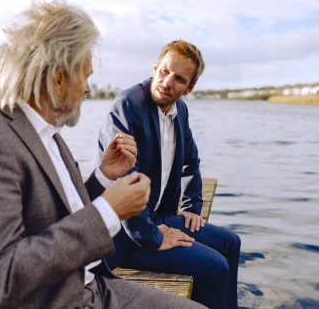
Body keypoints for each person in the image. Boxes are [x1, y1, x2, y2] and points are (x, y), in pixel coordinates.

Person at [0, 0, 203, 309]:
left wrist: (103, 177)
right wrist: (109, 211)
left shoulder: (47, 135)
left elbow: (52, 215)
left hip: (86, 289)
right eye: (84, 75)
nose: (87, 88)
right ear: (58, 78)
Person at [96, 40, 241, 309]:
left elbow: (190, 162)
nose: (167, 82)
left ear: (190, 87)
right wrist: (155, 237)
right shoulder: (128, 105)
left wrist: (192, 206)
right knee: (216, 267)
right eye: (164, 71)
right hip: (126, 234)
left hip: (160, 215)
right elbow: (125, 180)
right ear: (155, 67)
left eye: (179, 79)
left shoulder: (180, 111)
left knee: (231, 243)